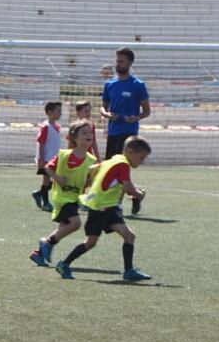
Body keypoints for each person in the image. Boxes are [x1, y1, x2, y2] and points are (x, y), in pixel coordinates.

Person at [54, 136, 151, 282]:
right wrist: (139, 194)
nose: (142, 161)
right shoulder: (123, 164)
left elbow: (92, 169)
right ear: (130, 152)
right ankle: (128, 271)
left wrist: (93, 186)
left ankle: (65, 264)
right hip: (104, 208)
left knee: (98, 241)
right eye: (141, 157)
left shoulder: (114, 159)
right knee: (119, 238)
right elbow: (128, 187)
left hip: (101, 205)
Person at [29, 120, 96, 267]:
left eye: (90, 132)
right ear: (74, 137)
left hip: (74, 198)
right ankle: (47, 243)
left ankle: (38, 254)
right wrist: (58, 178)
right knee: (75, 223)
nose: (88, 135)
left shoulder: (91, 160)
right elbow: (48, 167)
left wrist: (90, 188)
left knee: (63, 228)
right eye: (84, 133)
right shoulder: (64, 155)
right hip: (62, 197)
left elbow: (90, 179)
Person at [102, 46, 150, 214]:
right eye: (117, 60)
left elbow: (146, 111)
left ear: (129, 63)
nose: (118, 64)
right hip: (113, 132)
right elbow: (103, 109)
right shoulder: (109, 84)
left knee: (121, 169)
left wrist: (135, 117)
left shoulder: (138, 85)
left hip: (129, 134)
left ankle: (117, 205)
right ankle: (138, 195)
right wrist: (108, 115)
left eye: (121, 61)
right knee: (110, 169)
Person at [32, 100, 64, 210]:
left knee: (55, 180)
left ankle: (39, 193)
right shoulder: (45, 127)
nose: (61, 113)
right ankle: (46, 203)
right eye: (58, 111)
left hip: (54, 158)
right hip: (45, 159)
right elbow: (41, 142)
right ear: (50, 112)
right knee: (46, 180)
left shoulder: (57, 126)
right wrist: (41, 159)